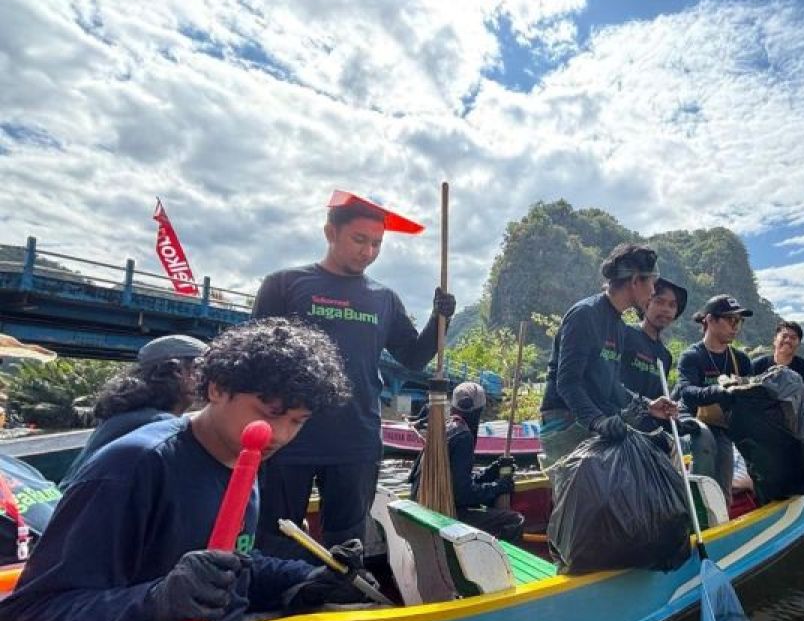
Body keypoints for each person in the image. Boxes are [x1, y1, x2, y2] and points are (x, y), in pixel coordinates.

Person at [0, 319, 371, 621]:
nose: (279, 434)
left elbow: (230, 562)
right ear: (216, 388)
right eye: (269, 413)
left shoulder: (243, 459)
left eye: (297, 421)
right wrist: (158, 602)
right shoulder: (134, 467)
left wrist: (306, 578)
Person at [252, 190, 456, 559]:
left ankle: (337, 605)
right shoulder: (284, 285)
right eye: (359, 240)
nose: (368, 252)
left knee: (346, 544)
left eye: (377, 244)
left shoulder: (384, 298)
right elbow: (255, 360)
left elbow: (412, 358)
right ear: (330, 233)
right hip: (287, 438)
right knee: (275, 538)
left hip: (356, 438)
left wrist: (439, 318)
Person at [539, 243, 678, 465]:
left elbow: (613, 385)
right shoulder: (585, 315)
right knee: (585, 496)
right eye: (651, 283)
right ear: (634, 281)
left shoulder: (618, 325)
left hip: (592, 421)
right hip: (566, 423)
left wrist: (648, 405)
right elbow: (567, 383)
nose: (653, 292)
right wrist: (598, 421)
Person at [61, 334, 209, 485]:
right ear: (177, 372)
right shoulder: (159, 426)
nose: (208, 382)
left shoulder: (127, 417)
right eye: (201, 371)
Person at [410, 383, 524, 543]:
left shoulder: (443, 429)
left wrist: (491, 472)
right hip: (442, 515)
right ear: (478, 412)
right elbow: (463, 494)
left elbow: (455, 482)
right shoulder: (464, 437)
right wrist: (499, 486)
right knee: (514, 520)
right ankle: (496, 566)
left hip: (424, 508)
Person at [675, 295, 755, 502]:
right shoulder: (692, 356)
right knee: (704, 440)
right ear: (710, 320)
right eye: (731, 320)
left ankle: (720, 521)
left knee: (723, 487)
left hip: (722, 427)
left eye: (739, 321)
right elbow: (687, 392)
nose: (736, 326)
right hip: (690, 422)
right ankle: (693, 507)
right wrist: (719, 391)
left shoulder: (741, 360)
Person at [620, 276, 688, 431]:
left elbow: (657, 398)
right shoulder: (625, 334)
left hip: (646, 431)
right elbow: (607, 382)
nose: (666, 309)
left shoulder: (665, 356)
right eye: (659, 301)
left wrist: (668, 410)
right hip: (617, 422)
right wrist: (645, 404)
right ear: (646, 303)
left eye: (672, 305)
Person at [751, 320, 804, 430]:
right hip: (763, 415)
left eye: (793, 338)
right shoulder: (756, 365)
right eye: (784, 336)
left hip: (793, 416)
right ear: (775, 340)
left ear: (798, 343)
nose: (788, 340)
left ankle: (803, 446)